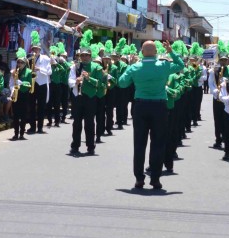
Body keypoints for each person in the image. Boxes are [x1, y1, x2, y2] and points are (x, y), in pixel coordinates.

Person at [118, 39, 182, 191]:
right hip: (159, 107)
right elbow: (180, 65)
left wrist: (130, 66)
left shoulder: (135, 67)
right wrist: (171, 51)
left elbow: (121, 83)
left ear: (141, 52)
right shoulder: (163, 65)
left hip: (140, 106)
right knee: (158, 143)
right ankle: (155, 178)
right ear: (156, 52)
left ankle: (139, 178)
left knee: (139, 144)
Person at [72, 42, 104, 156]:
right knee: (76, 123)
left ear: (90, 56)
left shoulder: (97, 67)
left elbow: (100, 84)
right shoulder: (76, 66)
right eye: (82, 55)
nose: (84, 57)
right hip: (78, 97)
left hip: (90, 98)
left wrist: (89, 78)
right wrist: (76, 81)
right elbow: (70, 79)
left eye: (86, 55)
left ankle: (90, 147)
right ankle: (75, 146)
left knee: (89, 123)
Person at [11, 49, 31, 141]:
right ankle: (15, 133)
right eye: (18, 62)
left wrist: (22, 83)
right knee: (15, 115)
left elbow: (30, 84)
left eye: (21, 62)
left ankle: (22, 133)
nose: (19, 64)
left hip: (24, 94)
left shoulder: (29, 72)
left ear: (25, 63)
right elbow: (11, 83)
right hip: (16, 94)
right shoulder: (15, 71)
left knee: (23, 115)